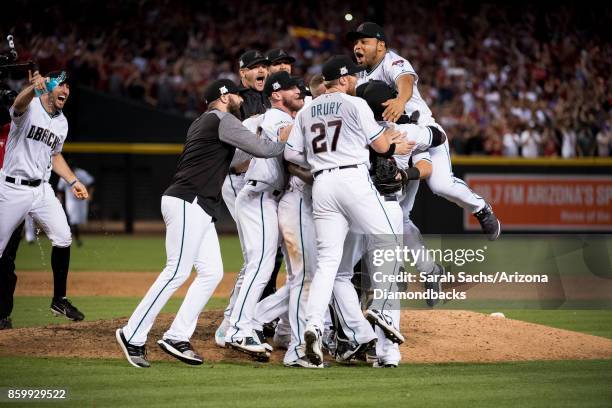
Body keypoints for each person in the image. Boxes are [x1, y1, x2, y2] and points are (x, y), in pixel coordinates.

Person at [115, 79, 287, 368]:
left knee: (211, 272)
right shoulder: (221, 118)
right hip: (187, 201)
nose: (239, 98)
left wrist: (258, 138)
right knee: (176, 271)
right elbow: (262, 150)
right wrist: (291, 139)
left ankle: (177, 335)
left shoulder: (205, 122)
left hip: (197, 204)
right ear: (224, 97)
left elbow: (237, 160)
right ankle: (132, 334)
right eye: (234, 93)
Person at [284, 55, 411, 367]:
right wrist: (396, 147)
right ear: (342, 79)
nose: (357, 80)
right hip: (353, 178)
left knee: (327, 264)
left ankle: (312, 326)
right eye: (353, 76)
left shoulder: (307, 110)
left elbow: (291, 154)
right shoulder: (354, 104)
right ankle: (380, 310)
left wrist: (318, 164)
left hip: (322, 184)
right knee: (389, 243)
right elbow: (381, 147)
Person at [347, 22, 501, 240]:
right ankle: (427, 269)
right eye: (355, 42)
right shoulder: (361, 75)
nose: (357, 46)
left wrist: (401, 100)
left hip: (423, 131)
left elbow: (406, 80)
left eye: (364, 41)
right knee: (399, 214)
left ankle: (481, 208)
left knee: (441, 184)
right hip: (396, 138)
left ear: (380, 45)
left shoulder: (392, 60)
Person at [0, 70, 88, 326]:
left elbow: (54, 155)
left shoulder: (62, 122)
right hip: (12, 189)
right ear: (48, 87)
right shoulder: (29, 108)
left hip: (41, 190)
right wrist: (32, 89)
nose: (66, 90)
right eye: (61, 84)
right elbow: (17, 104)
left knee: (63, 236)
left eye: (68, 87)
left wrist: (73, 181)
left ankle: (59, 300)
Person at [225, 71, 303, 359]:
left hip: (269, 199)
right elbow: (285, 135)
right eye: (292, 88)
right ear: (275, 94)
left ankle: (245, 323)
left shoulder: (289, 116)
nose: (299, 92)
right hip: (258, 196)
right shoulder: (274, 116)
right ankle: (238, 328)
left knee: (273, 268)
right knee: (260, 266)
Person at [57, 166, 95, 246]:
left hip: (82, 200)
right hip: (71, 201)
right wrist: (59, 201)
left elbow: (91, 183)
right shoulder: (65, 174)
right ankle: (76, 239)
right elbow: (60, 190)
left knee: (81, 221)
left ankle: (76, 236)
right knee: (74, 220)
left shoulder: (81, 173)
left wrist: (90, 195)